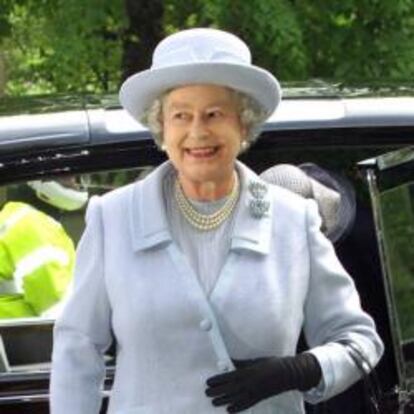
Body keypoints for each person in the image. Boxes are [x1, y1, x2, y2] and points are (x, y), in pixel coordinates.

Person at [50, 28, 383, 414]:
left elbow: (361, 342)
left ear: (243, 124)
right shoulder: (113, 218)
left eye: (214, 113)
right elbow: (78, 347)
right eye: (180, 115)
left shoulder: (293, 220)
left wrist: (301, 369)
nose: (197, 131)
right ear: (162, 128)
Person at [0, 177, 87, 318]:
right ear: (39, 182)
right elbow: (60, 311)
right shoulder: (32, 225)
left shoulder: (16, 217)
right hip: (18, 338)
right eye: (65, 176)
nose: (74, 181)